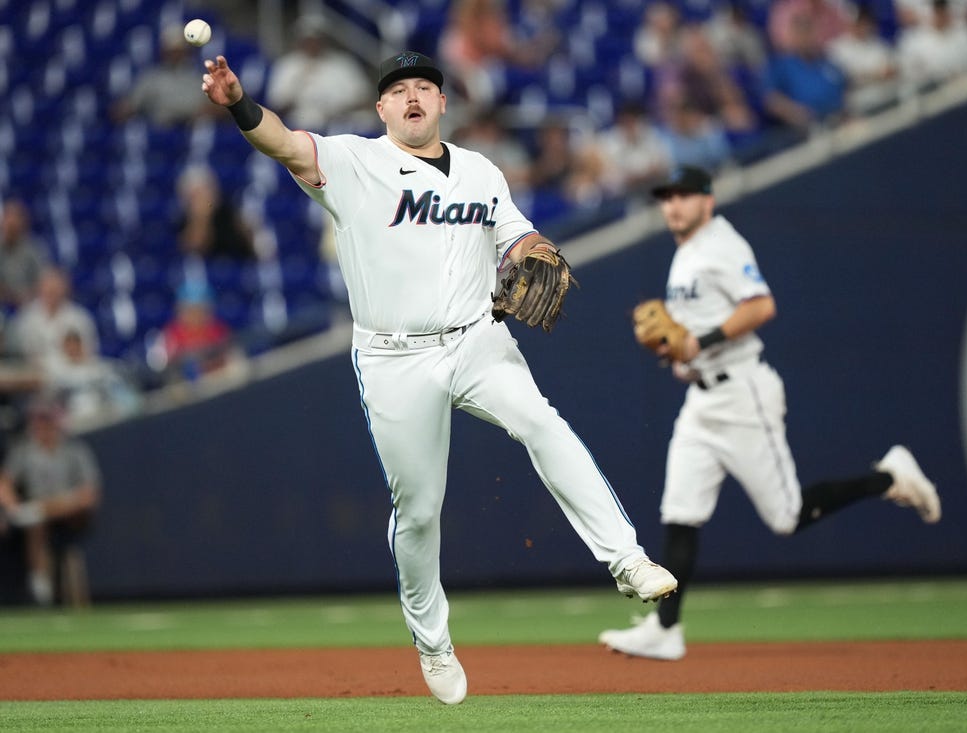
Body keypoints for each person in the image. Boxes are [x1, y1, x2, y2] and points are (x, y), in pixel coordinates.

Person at [199, 50, 677, 703]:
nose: (413, 96)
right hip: (396, 357)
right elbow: (282, 141)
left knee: (541, 421)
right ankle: (432, 638)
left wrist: (533, 252)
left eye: (425, 85)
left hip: (479, 339)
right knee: (419, 511)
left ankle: (626, 559)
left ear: (443, 103)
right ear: (382, 108)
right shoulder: (355, 162)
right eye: (399, 90)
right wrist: (236, 102)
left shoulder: (481, 171)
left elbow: (520, 238)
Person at [598, 166, 941, 661]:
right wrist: (683, 357)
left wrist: (700, 341)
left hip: (743, 394)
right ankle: (666, 628)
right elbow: (692, 337)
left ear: (707, 202)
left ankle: (888, 477)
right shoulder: (686, 253)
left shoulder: (722, 244)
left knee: (786, 517)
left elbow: (761, 306)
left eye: (684, 196)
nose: (672, 205)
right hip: (703, 400)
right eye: (666, 197)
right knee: (679, 512)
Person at [0, 395, 102, 607]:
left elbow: (89, 494)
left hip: (71, 514)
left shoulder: (75, 450)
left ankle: (38, 512)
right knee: (35, 522)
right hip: (34, 515)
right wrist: (12, 507)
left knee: (43, 512)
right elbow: (5, 483)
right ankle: (40, 584)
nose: (43, 425)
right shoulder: (24, 450)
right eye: (39, 419)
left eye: (47, 419)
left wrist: (47, 508)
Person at [265, 15, 375, 133]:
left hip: (341, 124)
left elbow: (365, 99)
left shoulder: (343, 63)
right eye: (308, 40)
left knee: (367, 121)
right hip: (300, 126)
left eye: (317, 39)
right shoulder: (287, 65)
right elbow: (276, 106)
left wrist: (339, 110)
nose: (313, 44)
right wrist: (299, 83)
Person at [111, 24, 215, 127]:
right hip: (161, 129)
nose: (175, 55)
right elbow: (129, 106)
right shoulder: (151, 77)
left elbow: (215, 107)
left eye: (179, 50)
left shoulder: (199, 77)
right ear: (164, 51)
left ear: (187, 51)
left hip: (191, 128)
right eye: (171, 51)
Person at [8, 266, 99, 372]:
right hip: (34, 379)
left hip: (72, 376)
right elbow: (17, 355)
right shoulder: (26, 318)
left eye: (56, 288)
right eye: (48, 288)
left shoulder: (80, 318)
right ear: (40, 288)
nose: (52, 292)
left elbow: (89, 354)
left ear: (65, 289)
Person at [175, 163, 257, 262]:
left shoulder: (228, 212)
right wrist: (201, 219)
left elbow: (249, 246)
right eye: (195, 195)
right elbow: (195, 249)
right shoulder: (182, 220)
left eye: (203, 192)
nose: (201, 199)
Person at [0, 199, 49, 312]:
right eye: (8, 223)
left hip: (29, 303)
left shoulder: (34, 249)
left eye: (14, 224)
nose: (10, 226)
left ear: (23, 224)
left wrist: (27, 296)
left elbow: (43, 280)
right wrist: (8, 295)